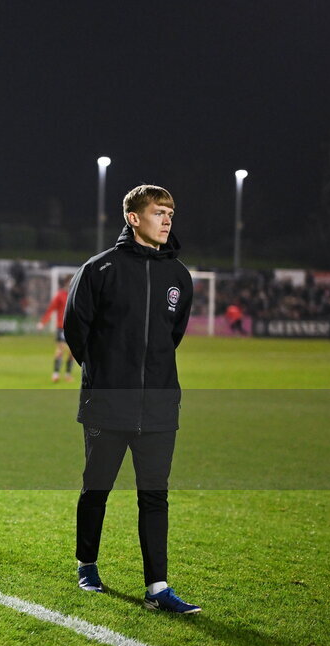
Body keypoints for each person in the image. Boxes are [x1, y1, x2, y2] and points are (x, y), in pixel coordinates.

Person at [63, 184, 200, 614]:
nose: (167, 220)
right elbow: (75, 330)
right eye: (159, 212)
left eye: (171, 213)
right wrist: (106, 377)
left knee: (154, 496)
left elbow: (171, 338)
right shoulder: (100, 269)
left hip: (159, 406)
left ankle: (158, 588)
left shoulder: (178, 275)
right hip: (108, 403)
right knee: (96, 489)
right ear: (133, 217)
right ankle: (88, 565)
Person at [38, 286, 73, 382]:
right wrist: (43, 322)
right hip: (61, 327)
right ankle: (56, 374)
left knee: (72, 352)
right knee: (60, 349)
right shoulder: (60, 295)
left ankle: (67, 374)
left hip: (72, 328)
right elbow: (51, 309)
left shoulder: (75, 295)